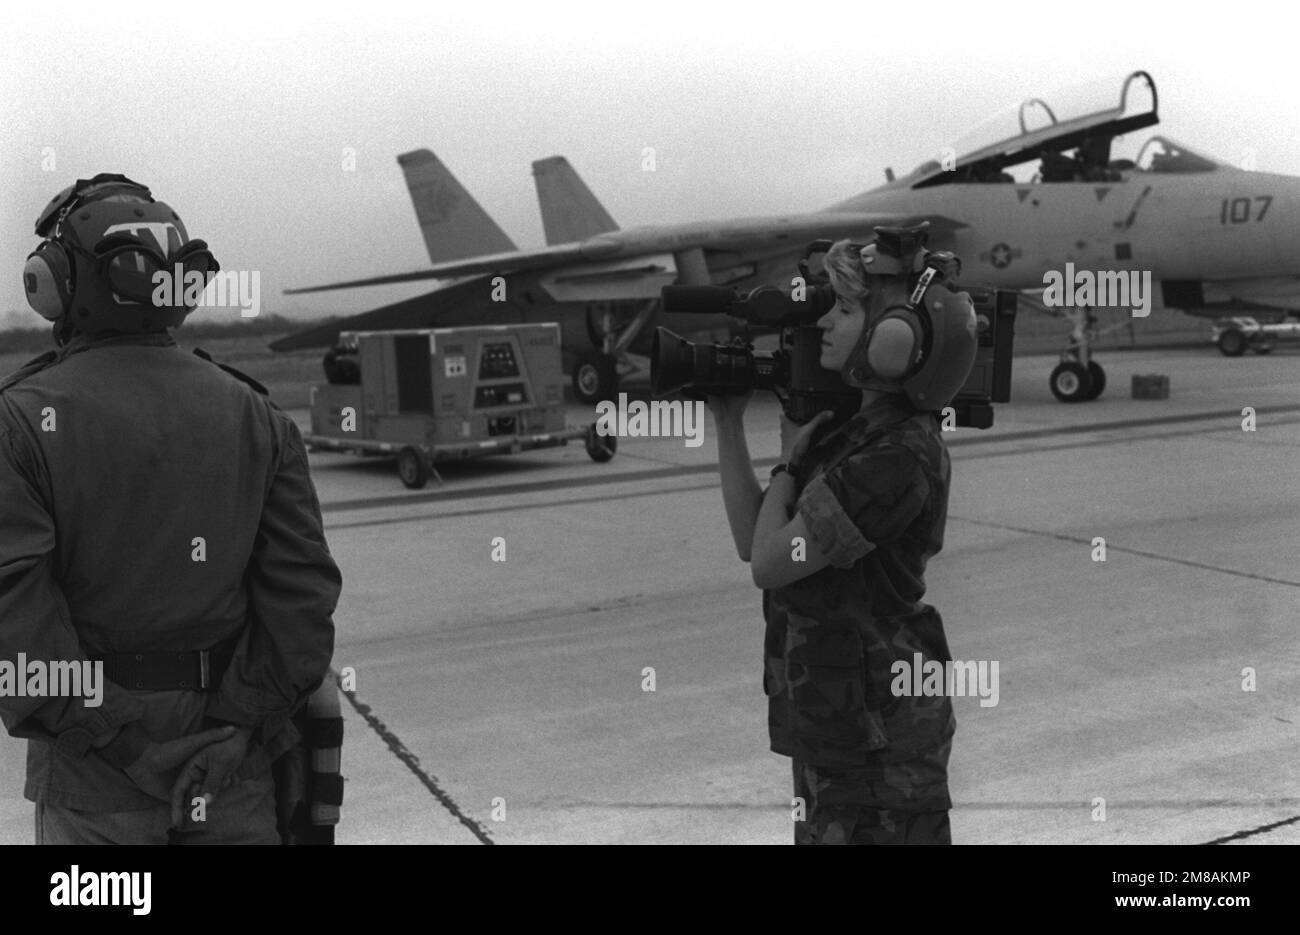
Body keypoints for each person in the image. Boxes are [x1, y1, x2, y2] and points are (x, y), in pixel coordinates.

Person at [0, 173, 341, 844]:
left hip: (98, 784)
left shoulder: (19, 421)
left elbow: (15, 618)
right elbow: (302, 601)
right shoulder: (256, 414)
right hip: (234, 772)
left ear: (56, 283)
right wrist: (240, 732)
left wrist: (125, 747)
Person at [708, 228, 969, 844]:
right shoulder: (854, 431)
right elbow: (755, 538)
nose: (826, 322)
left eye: (847, 310)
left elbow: (771, 563)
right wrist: (729, 425)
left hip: (880, 749)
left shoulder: (896, 457)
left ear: (894, 339)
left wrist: (790, 466)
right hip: (837, 722)